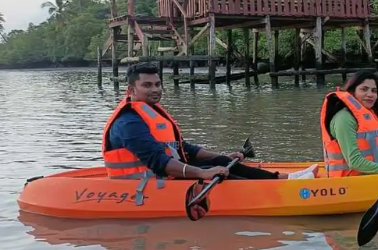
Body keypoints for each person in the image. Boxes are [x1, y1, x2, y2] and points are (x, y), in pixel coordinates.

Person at [102, 63, 318, 205]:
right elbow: (158, 161)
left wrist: (222, 156)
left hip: (163, 177)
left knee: (223, 162)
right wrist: (202, 173)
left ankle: (285, 178)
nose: (155, 89)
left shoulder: (152, 113)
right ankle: (284, 194)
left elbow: (183, 149)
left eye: (158, 84)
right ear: (131, 90)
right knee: (220, 175)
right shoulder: (128, 122)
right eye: (147, 85)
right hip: (142, 188)